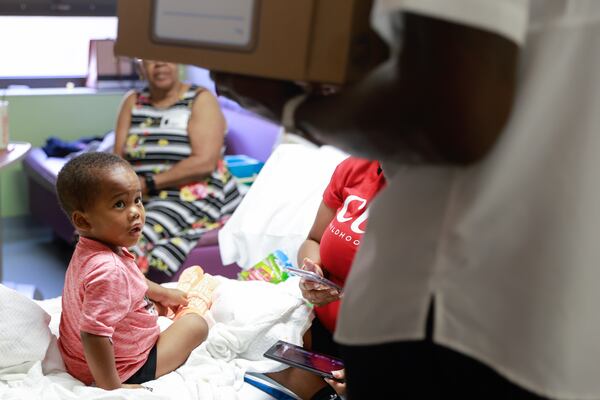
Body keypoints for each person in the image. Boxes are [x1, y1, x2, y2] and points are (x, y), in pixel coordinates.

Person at [211, 0, 600, 399]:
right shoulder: (351, 171)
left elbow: (460, 115)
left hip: (449, 317)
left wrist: (289, 107)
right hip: (544, 316)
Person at [56, 152, 217, 389]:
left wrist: (163, 293)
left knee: (160, 305)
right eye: (119, 204)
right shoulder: (108, 271)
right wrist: (112, 387)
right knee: (196, 325)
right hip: (126, 368)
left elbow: (133, 277)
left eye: (138, 200)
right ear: (83, 221)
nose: (135, 212)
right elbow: (93, 335)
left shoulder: (94, 248)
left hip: (79, 358)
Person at [114, 59, 242, 283]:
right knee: (97, 230)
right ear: (140, 67)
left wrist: (149, 184)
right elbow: (117, 160)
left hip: (195, 190)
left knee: (131, 232)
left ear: (178, 63)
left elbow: (204, 163)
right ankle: (101, 295)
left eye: (165, 58)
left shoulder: (200, 99)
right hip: (140, 193)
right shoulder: (133, 101)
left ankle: (130, 303)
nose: (159, 65)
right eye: (150, 60)